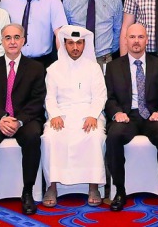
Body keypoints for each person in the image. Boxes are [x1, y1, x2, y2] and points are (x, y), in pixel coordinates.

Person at [0, 24, 48, 216]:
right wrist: (1, 118)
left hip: (26, 119)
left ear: (23, 41)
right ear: (2, 41)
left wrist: (19, 121)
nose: (12, 42)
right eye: (8, 38)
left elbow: (37, 101)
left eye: (16, 37)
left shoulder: (36, 68)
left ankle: (27, 192)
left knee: (32, 137)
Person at [104, 23, 158, 212]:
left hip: (152, 116)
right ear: (125, 40)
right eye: (132, 37)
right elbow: (109, 98)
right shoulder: (113, 67)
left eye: (140, 37)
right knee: (113, 136)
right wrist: (116, 113)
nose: (136, 41)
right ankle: (120, 191)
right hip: (127, 116)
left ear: (147, 40)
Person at [41, 26, 107, 208]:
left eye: (79, 43)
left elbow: (100, 96)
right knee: (50, 137)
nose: (75, 47)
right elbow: (49, 97)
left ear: (85, 44)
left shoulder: (94, 68)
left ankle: (93, 186)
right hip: (61, 113)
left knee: (94, 135)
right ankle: (52, 186)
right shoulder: (53, 69)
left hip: (88, 113)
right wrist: (54, 115)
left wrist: (93, 115)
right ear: (65, 45)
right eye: (71, 43)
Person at [0, 0, 68, 65]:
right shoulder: (7, 1)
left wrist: (63, 62)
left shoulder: (53, 1)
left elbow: (60, 33)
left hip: (42, 62)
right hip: (13, 62)